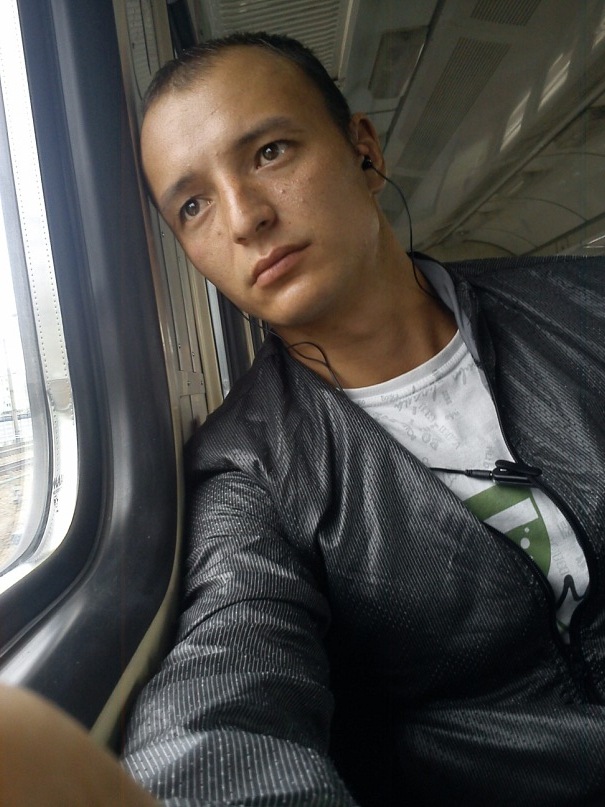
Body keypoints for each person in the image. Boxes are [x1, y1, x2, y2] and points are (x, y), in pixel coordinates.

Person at [1, 31, 604, 807]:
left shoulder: (582, 302)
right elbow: (227, 689)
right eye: (193, 205)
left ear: (363, 151)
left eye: (269, 152)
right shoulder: (251, 471)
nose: (244, 217)